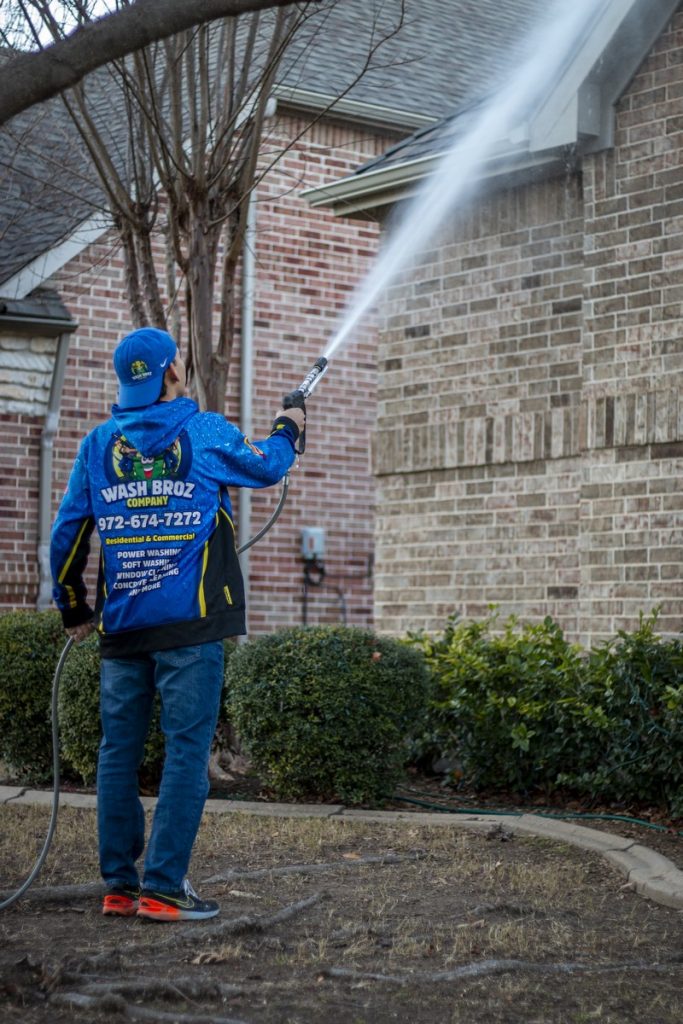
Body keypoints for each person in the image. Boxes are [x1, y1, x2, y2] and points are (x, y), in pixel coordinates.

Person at [50, 326, 304, 922]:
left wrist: (73, 608)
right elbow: (268, 466)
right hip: (191, 628)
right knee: (186, 751)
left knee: (118, 753)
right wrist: (290, 424)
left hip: (124, 628)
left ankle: (119, 886)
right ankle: (163, 888)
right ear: (170, 374)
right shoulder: (203, 430)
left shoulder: (96, 445)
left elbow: (68, 534)